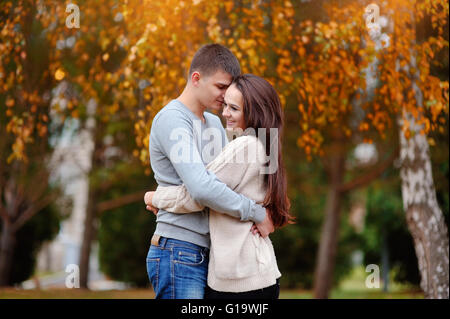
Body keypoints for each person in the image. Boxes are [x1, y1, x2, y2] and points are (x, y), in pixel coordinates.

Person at [145, 74, 294, 299]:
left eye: (234, 108)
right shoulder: (266, 143)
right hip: (260, 273)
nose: (225, 113)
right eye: (225, 105)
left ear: (254, 112)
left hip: (241, 282)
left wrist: (155, 197)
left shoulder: (244, 146)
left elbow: (200, 193)